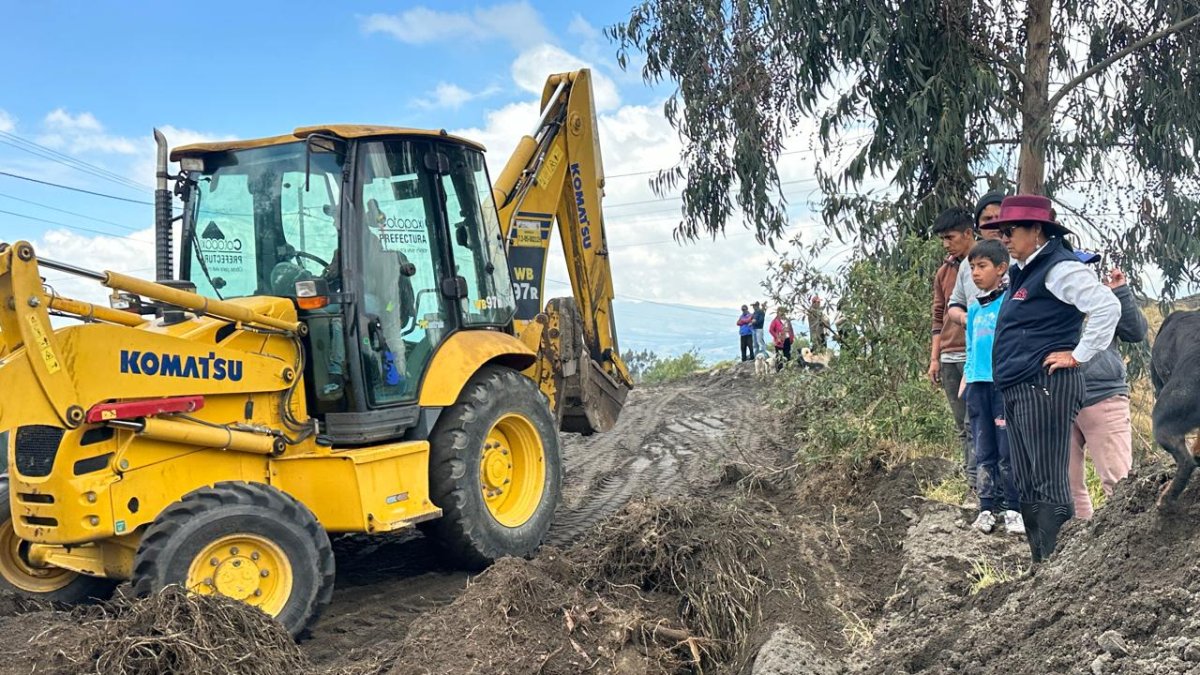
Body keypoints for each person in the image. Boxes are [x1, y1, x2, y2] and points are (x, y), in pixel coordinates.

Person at [984, 195, 1120, 563]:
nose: (1004, 238)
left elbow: (1107, 306)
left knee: (1048, 481)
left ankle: (1058, 569)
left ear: (1037, 231)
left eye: (1011, 230)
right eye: (1001, 231)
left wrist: (1078, 354)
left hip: (1043, 385)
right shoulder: (1023, 270)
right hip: (1019, 386)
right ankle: (1041, 567)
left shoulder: (1059, 268)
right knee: (1027, 481)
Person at [1067, 264, 1149, 519]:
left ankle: (1129, 537)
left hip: (1103, 396)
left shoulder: (1102, 299)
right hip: (1058, 398)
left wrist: (1120, 292)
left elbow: (1135, 332)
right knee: (1067, 486)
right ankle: (1078, 537)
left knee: (1119, 484)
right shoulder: (1045, 300)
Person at [959, 240, 1023, 535]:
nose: (975, 273)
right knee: (983, 447)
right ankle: (986, 507)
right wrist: (968, 377)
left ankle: (1013, 509)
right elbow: (971, 348)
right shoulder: (974, 309)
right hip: (978, 386)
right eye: (972, 267)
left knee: (1007, 449)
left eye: (982, 266)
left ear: (1001, 268)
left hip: (1003, 385)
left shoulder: (1010, 304)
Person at [929, 206, 978, 493]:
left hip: (975, 354)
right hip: (949, 356)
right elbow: (938, 316)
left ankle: (979, 483)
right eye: (943, 239)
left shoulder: (986, 264)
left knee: (976, 422)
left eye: (950, 237)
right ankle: (972, 483)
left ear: (968, 233)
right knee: (962, 425)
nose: (946, 244)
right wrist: (934, 358)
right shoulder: (944, 272)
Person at [946, 190, 1008, 328]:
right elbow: (955, 304)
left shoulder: (1020, 257)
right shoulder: (967, 263)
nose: (994, 224)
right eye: (987, 219)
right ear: (978, 226)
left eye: (999, 217)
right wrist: (963, 317)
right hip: (978, 337)